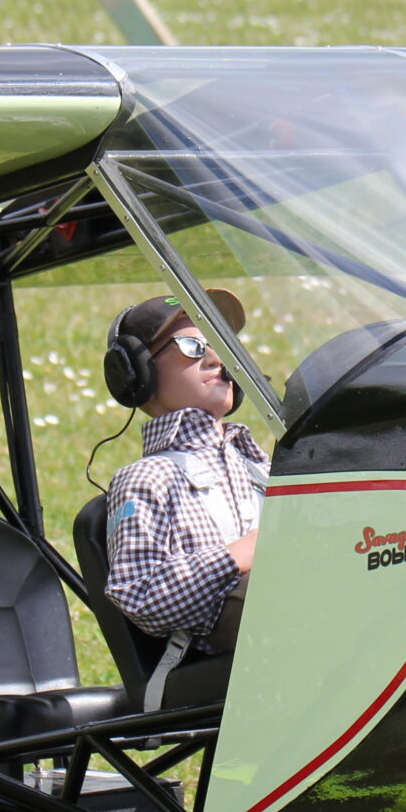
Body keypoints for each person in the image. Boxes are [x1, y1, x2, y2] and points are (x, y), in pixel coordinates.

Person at [98, 292, 266, 700]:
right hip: (229, 638)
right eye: (194, 347)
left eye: (221, 347)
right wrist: (239, 555)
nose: (215, 360)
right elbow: (139, 595)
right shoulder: (146, 479)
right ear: (136, 372)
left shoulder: (262, 468)